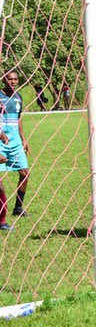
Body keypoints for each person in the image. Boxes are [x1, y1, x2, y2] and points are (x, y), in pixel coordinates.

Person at [0, 71, 32, 217]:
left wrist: (23, 138)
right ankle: (2, 212)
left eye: (15, 79)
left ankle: (18, 208)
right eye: (10, 79)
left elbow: (18, 120)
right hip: (1, 141)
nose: (13, 82)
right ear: (4, 80)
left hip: (15, 142)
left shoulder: (18, 97)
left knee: (25, 173)